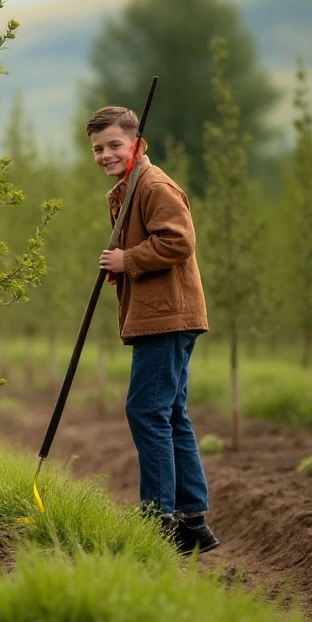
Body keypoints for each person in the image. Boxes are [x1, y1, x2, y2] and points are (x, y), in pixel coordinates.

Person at [87, 105, 220, 555]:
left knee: (145, 411)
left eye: (114, 145)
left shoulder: (154, 184)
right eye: (98, 148)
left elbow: (179, 240)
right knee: (169, 413)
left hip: (167, 317)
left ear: (137, 144)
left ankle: (159, 517)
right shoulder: (129, 188)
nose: (105, 154)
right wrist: (123, 270)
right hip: (161, 314)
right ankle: (191, 519)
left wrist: (130, 260)